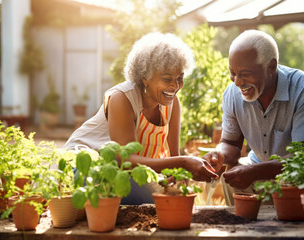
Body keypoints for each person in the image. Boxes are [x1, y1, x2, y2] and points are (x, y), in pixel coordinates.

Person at [65, 32, 220, 204]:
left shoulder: (172, 103)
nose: (175, 86)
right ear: (145, 78)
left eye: (180, 78)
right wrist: (184, 162)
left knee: (162, 199)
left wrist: (179, 177)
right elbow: (126, 160)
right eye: (167, 79)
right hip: (86, 164)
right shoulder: (122, 98)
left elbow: (173, 157)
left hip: (121, 169)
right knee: (146, 200)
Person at [203, 30, 304, 206]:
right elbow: (231, 144)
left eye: (245, 74)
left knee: (302, 182)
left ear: (271, 67)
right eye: (233, 73)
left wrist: (254, 172)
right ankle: (243, 231)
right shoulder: (232, 94)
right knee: (231, 179)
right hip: (259, 168)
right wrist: (218, 154)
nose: (237, 82)